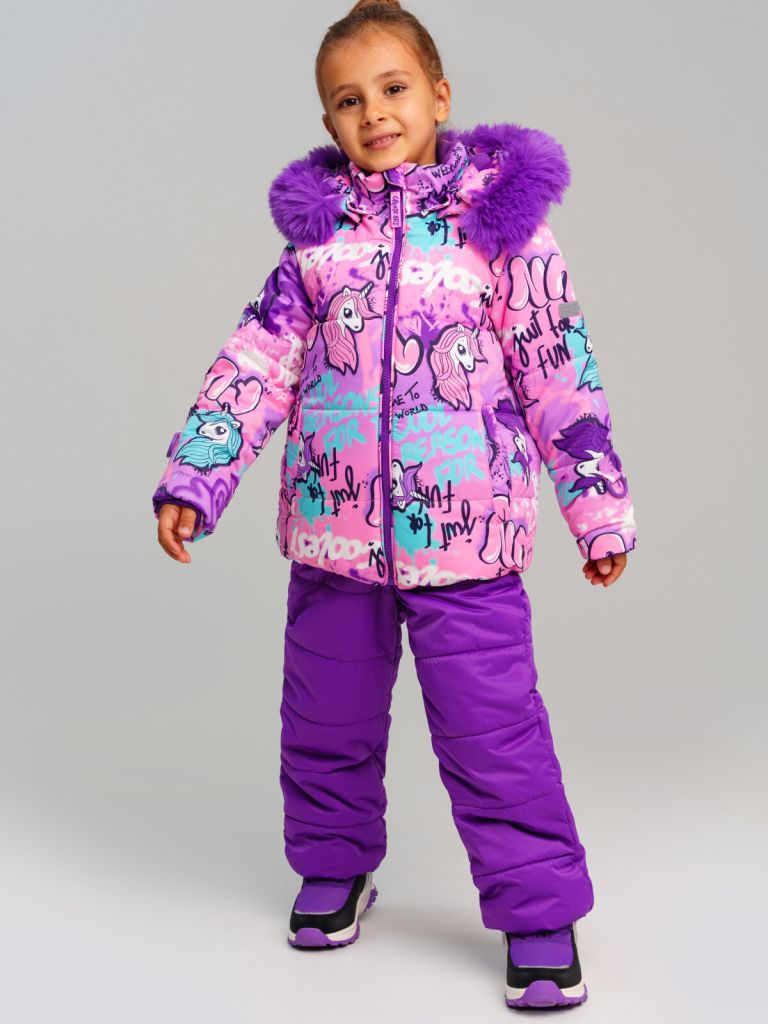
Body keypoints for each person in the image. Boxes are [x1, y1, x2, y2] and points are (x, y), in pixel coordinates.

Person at [152, 0, 637, 1010]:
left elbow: (558, 373)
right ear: (329, 122)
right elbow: (256, 363)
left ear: (439, 96)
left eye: (393, 88)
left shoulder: (502, 234)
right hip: (335, 538)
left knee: (495, 735)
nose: (372, 112)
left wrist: (596, 508)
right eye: (347, 100)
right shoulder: (316, 247)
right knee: (324, 722)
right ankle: (335, 866)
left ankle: (539, 912)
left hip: (470, 543)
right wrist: (198, 475)